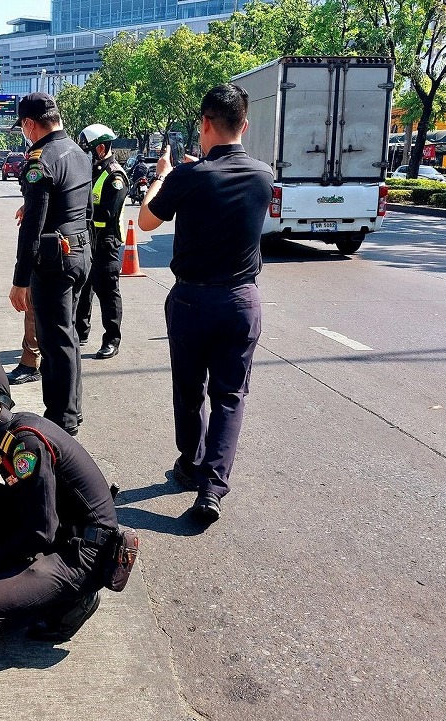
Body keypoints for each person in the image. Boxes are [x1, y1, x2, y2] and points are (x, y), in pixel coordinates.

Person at [136, 83, 273, 525]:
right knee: (230, 396)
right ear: (244, 126)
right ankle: (213, 488)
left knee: (189, 390)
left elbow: (145, 220)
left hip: (192, 300)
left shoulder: (187, 177)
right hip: (241, 300)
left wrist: (163, 175)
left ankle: (191, 463)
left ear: (205, 123)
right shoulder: (263, 175)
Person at [0, 372, 119, 641]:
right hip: (58, 529)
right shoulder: (7, 434)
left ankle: (70, 603)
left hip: (84, 553)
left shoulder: (25, 443)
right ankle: (16, 575)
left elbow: (41, 531)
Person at [9, 92, 91, 435]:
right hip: (80, 252)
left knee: (53, 341)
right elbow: (80, 206)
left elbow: (33, 226)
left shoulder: (40, 161)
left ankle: (61, 421)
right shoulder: (78, 152)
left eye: (23, 127)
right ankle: (71, 410)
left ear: (30, 124)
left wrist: (20, 280)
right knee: (66, 335)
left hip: (55, 259)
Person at [75, 124, 129, 360]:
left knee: (107, 292)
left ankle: (112, 340)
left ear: (99, 149)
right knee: (83, 288)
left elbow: (107, 212)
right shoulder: (92, 172)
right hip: (88, 239)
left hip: (106, 242)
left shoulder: (115, 176)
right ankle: (80, 332)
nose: (83, 154)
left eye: (86, 149)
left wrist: (79, 212)